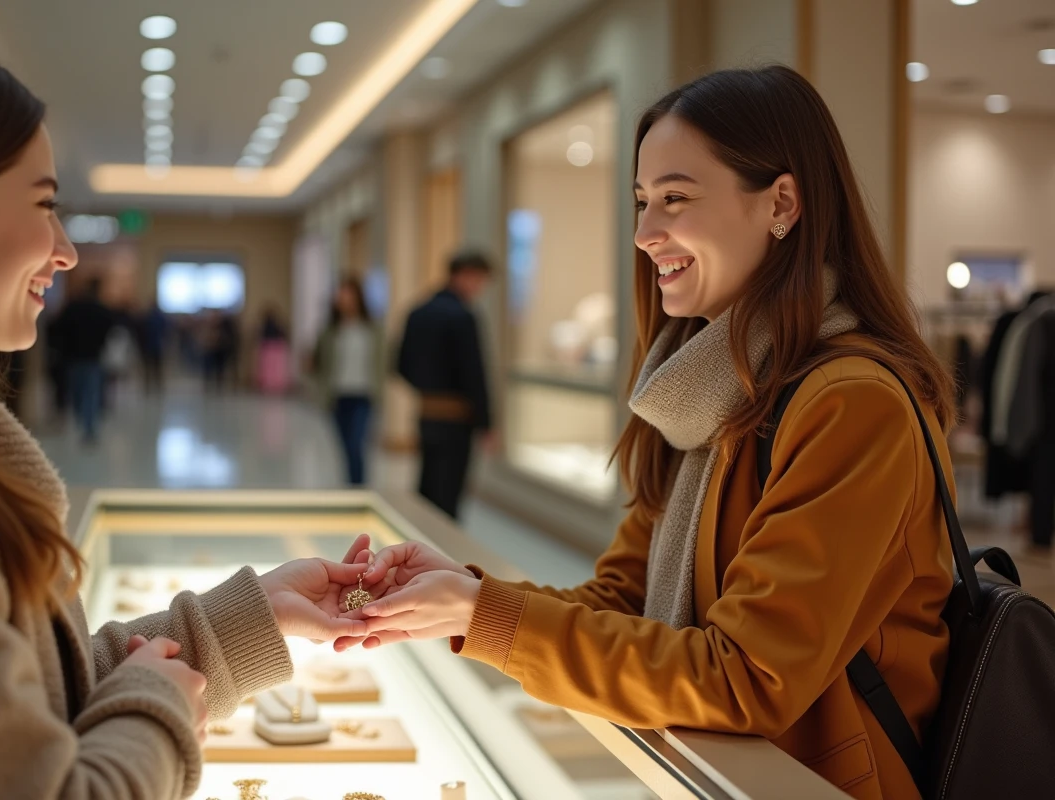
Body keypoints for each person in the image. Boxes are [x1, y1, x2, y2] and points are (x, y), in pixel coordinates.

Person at [338, 66, 958, 800]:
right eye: (641, 202)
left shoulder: (852, 405)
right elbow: (624, 599)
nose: (643, 234)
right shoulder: (702, 391)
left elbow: (745, 679)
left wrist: (487, 617)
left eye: (675, 199)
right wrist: (464, 599)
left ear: (782, 204)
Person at [0, 34, 373, 800]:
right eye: (43, 205)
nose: (65, 250)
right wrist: (161, 704)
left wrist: (258, 611)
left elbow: (34, 694)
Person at [397, 252, 495, 518]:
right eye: (478, 280)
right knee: (449, 490)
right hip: (457, 418)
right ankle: (441, 555)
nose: (479, 288)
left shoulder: (418, 312)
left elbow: (400, 365)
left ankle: (419, 548)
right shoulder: (463, 316)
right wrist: (486, 422)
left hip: (427, 412)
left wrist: (426, 389)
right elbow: (474, 373)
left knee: (428, 485)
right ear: (463, 275)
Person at [313, 277, 386, 485]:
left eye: (348, 294)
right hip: (338, 394)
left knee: (356, 444)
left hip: (363, 394)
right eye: (340, 294)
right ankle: (349, 485)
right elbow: (319, 361)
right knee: (344, 446)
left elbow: (382, 362)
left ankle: (358, 488)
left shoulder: (372, 330)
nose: (343, 299)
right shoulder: (331, 331)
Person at [48, 277, 115, 443]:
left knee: (77, 390)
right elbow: (110, 330)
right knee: (90, 392)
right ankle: (89, 428)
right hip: (92, 357)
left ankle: (82, 420)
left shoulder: (72, 308)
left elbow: (56, 329)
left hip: (72, 357)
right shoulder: (101, 310)